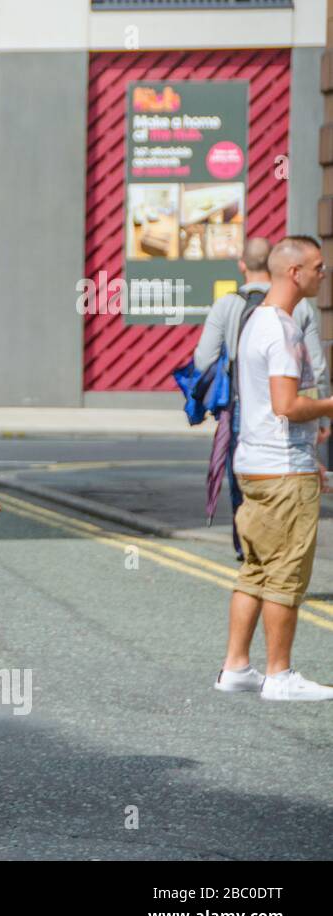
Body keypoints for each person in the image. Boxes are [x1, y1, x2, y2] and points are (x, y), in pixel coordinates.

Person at [215, 236, 333, 701]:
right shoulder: (283, 329)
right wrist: (328, 406)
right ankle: (279, 676)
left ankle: (237, 667)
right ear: (294, 273)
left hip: (256, 464)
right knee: (287, 573)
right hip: (283, 469)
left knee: (257, 570)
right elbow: (286, 404)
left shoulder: (256, 322)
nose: (323, 275)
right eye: (318, 267)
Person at [193, 236, 330, 559]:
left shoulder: (227, 306)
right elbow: (318, 368)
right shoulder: (295, 311)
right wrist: (321, 416)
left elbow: (203, 359)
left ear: (242, 265)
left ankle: (247, 549)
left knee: (245, 489)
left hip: (242, 411)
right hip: (288, 427)